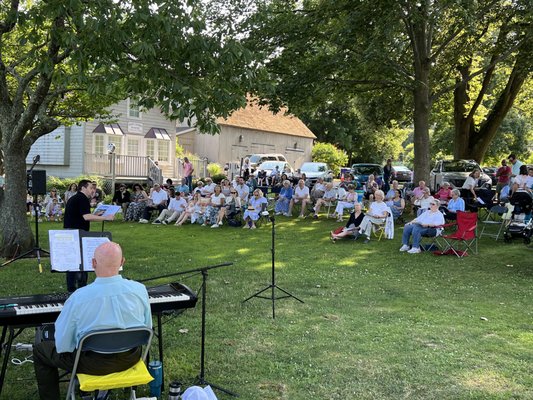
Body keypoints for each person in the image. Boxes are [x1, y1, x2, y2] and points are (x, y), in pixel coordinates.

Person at [33, 242, 151, 400]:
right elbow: (147, 328)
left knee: (41, 350)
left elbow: (63, 346)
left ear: (93, 263)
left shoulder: (78, 298)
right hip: (130, 359)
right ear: (122, 262)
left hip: (92, 365)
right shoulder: (139, 290)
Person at [63, 180, 115, 293]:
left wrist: (96, 215)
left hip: (71, 232)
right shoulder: (82, 199)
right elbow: (86, 217)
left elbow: (81, 215)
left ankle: (72, 288)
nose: (93, 190)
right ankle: (80, 288)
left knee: (73, 261)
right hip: (77, 232)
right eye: (91, 188)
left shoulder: (76, 198)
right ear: (83, 188)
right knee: (81, 261)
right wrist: (106, 218)